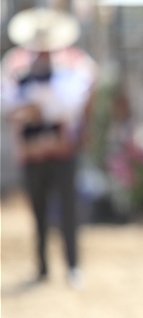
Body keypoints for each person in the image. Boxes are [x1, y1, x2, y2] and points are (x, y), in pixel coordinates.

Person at [1, 8, 97, 288]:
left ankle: (72, 265)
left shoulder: (73, 63)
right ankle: (42, 268)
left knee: (68, 208)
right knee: (38, 209)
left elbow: (72, 102)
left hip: (62, 149)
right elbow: (7, 102)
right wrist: (33, 106)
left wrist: (39, 106)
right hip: (30, 151)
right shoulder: (15, 64)